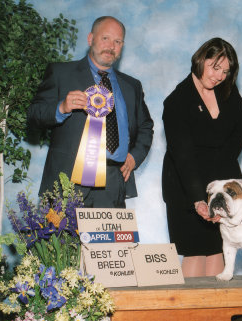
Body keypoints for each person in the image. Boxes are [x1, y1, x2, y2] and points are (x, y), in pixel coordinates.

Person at [27, 16, 153, 207]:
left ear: (122, 46)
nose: (111, 46)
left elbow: (145, 126)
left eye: (117, 42)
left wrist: (134, 156)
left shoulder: (132, 85)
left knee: (110, 238)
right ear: (90, 39)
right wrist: (61, 108)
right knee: (62, 239)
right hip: (67, 180)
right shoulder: (61, 73)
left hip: (113, 183)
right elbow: (34, 115)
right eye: (105, 38)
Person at [162, 38, 242, 277]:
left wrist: (224, 171)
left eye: (225, 71)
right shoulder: (176, 101)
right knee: (195, 250)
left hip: (221, 184)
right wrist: (198, 199)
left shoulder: (228, 90)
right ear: (201, 59)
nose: (219, 75)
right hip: (186, 185)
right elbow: (182, 155)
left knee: (218, 249)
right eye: (214, 66)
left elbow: (241, 129)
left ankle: (216, 313)